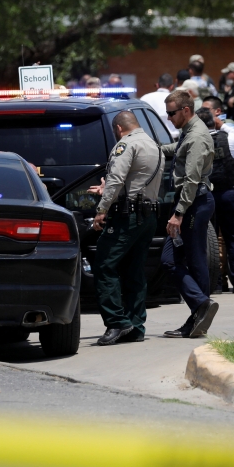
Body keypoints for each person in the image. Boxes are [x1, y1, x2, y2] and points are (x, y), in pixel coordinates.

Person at [87, 111, 163, 345]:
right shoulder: (154, 145)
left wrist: (101, 210)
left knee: (103, 264)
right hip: (148, 216)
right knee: (134, 271)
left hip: (126, 216)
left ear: (119, 128)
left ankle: (117, 323)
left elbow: (117, 178)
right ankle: (136, 325)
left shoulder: (125, 145)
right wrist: (110, 191)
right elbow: (135, 181)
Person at [159, 89, 218, 339]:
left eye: (172, 113)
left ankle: (200, 307)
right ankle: (199, 314)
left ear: (185, 110)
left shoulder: (197, 137)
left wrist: (179, 213)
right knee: (191, 261)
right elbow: (178, 149)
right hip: (193, 202)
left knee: (174, 260)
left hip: (193, 202)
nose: (169, 117)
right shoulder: (189, 133)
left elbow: (192, 179)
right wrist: (156, 149)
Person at [196, 108, 234, 294]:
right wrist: (223, 125)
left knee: (209, 240)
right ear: (214, 121)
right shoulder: (230, 138)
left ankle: (216, 283)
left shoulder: (195, 141)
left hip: (205, 196)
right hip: (227, 193)